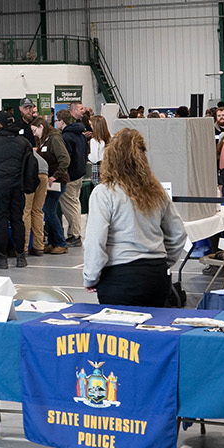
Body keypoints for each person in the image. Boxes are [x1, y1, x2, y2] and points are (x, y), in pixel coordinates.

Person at [83, 128, 189, 305]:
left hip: (120, 277)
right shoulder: (157, 192)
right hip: (156, 276)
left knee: (118, 333)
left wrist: (91, 277)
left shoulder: (104, 193)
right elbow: (178, 234)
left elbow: (95, 240)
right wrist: (163, 263)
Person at [0, 109, 35, 269]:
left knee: (0, 221)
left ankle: (1, 258)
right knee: (17, 220)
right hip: (18, 187)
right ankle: (21, 257)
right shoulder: (23, 141)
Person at [33, 119, 70, 255]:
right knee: (49, 211)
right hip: (49, 182)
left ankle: (61, 243)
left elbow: (65, 159)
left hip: (57, 182)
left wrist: (55, 176)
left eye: (35, 130)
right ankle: (53, 242)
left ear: (41, 127)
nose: (35, 134)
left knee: (49, 211)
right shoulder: (44, 139)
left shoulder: (55, 139)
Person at [56, 108, 90, 247]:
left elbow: (66, 158)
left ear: (62, 121)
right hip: (79, 174)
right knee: (75, 204)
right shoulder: (80, 134)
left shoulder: (66, 137)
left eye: (57, 121)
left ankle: (74, 235)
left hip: (70, 176)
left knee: (70, 207)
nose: (56, 123)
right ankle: (73, 233)